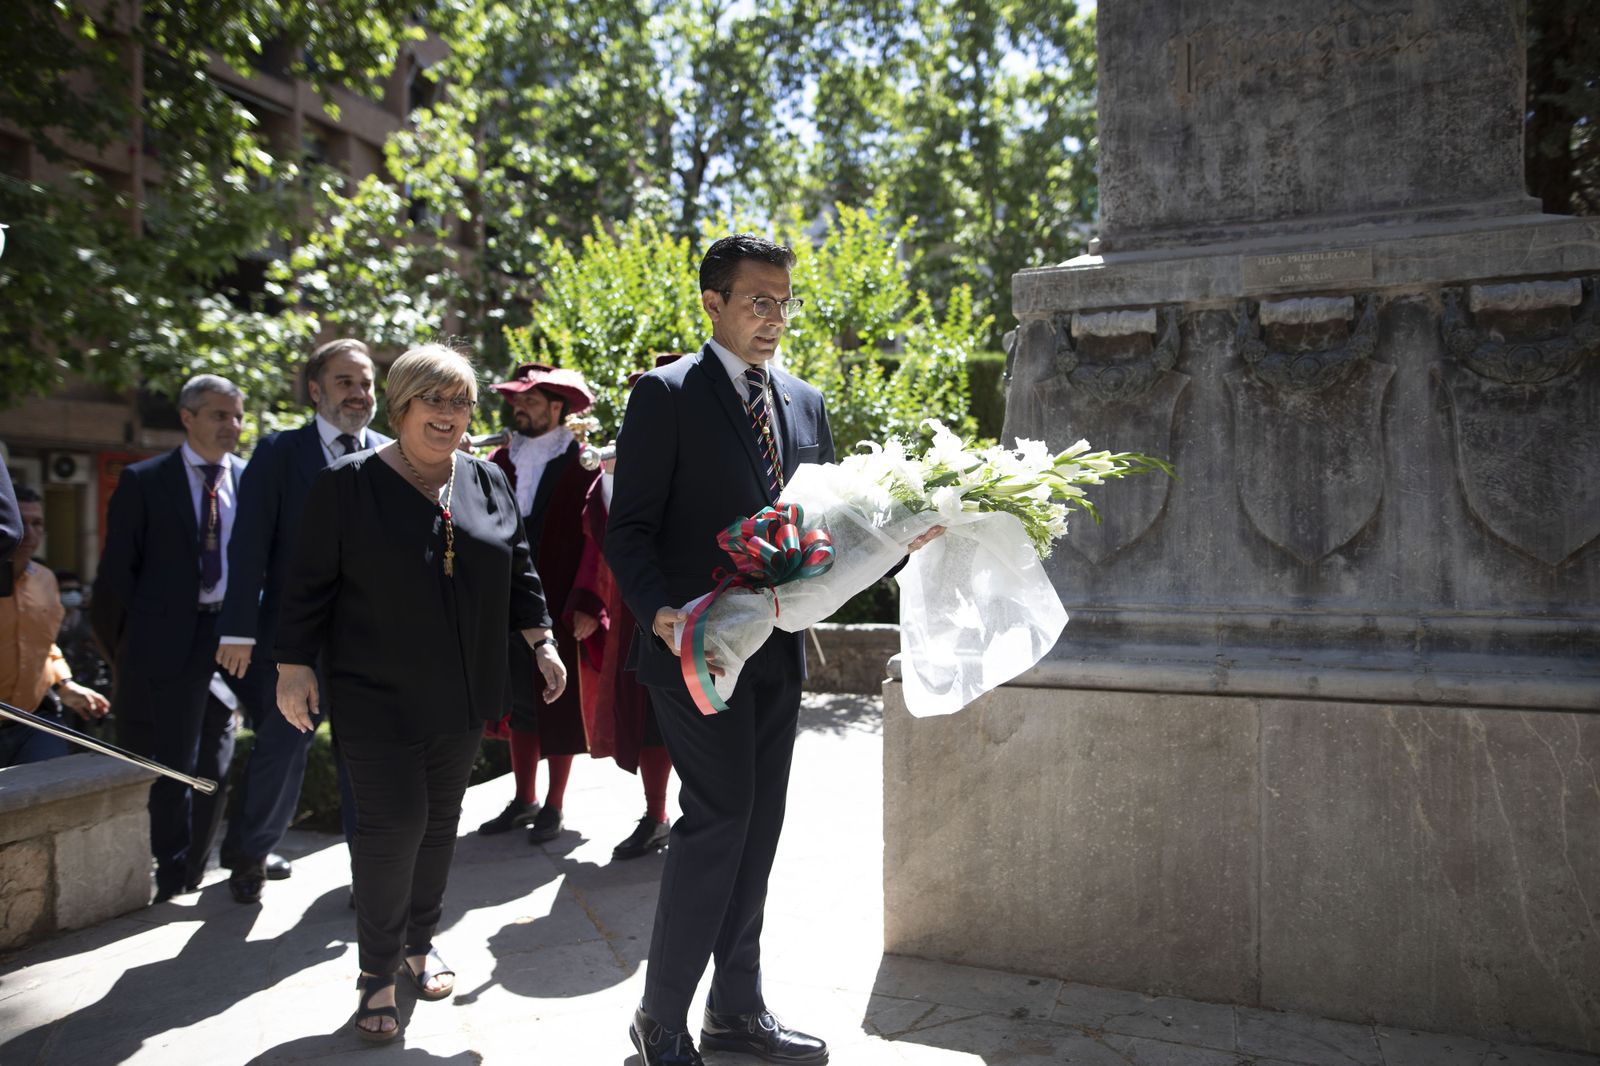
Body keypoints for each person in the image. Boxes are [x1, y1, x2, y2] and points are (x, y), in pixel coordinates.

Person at [274, 343, 567, 1043]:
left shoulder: (487, 481)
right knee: (392, 827)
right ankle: (376, 972)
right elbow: (304, 584)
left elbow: (518, 564)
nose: (448, 414)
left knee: (439, 825)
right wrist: (293, 665)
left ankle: (419, 942)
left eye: (460, 401)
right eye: (432, 400)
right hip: (375, 692)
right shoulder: (344, 485)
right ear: (402, 404)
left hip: (463, 690)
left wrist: (542, 638)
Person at [604, 234, 838, 1066]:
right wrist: (661, 613)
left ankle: (737, 1011)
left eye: (784, 302)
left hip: (778, 652)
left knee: (759, 828)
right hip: (692, 648)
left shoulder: (806, 402)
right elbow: (625, 530)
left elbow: (826, 521)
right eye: (758, 302)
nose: (776, 319)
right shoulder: (664, 395)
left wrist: (895, 537)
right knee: (720, 819)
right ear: (713, 303)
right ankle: (660, 1019)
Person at [215, 338, 389, 904]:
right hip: (296, 640)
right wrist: (238, 628)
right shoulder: (278, 453)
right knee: (282, 748)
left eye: (365, 383)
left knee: (365, 757)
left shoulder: (392, 453)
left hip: (369, 640)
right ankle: (249, 855)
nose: (359, 393)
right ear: (315, 390)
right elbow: (248, 547)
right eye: (345, 382)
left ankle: (370, 876)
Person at [92, 375, 246, 902]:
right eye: (219, 415)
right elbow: (116, 575)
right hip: (167, 644)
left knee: (220, 761)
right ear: (188, 416)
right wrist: (137, 642)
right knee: (172, 763)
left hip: (233, 638)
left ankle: (206, 864)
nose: (232, 425)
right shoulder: (145, 481)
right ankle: (173, 868)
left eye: (237, 415)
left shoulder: (249, 480)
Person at [477, 363, 599, 844]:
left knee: (558, 703)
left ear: (556, 407)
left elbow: (596, 540)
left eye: (530, 400)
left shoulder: (581, 462)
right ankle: (524, 797)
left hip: (561, 603)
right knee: (517, 703)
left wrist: (588, 601)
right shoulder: (499, 460)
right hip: (504, 602)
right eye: (516, 400)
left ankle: (554, 804)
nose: (518, 407)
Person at [569, 362, 680, 861]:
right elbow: (606, 531)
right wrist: (615, 480)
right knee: (652, 719)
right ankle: (657, 815)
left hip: (701, 606)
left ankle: (700, 817)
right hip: (645, 613)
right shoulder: (627, 459)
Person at [0, 488, 110, 767]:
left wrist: (65, 684)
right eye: (21, 522)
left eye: (37, 524)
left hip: (34, 721)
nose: (28, 532)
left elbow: (43, 643)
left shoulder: (46, 580)